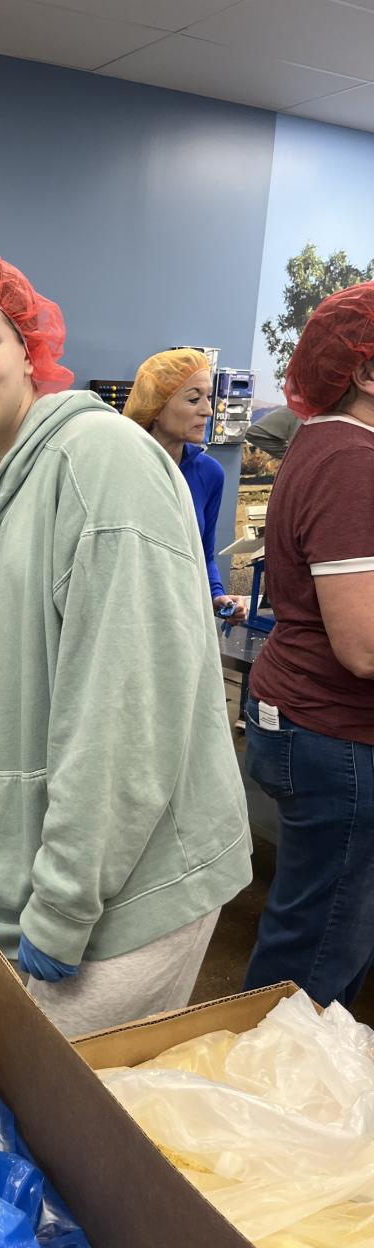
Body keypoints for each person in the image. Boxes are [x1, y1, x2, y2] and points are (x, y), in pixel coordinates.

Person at [0, 256, 252, 1036]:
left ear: (29, 350)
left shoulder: (99, 463)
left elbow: (125, 715)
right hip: (33, 884)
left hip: (122, 894)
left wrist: (61, 905)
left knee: (65, 1101)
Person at [243, 282, 374, 1010]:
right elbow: (364, 646)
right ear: (366, 370)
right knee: (318, 955)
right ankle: (270, 1075)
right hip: (334, 734)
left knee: (326, 931)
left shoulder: (325, 442)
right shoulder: (353, 460)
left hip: (309, 721)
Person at [124, 348, 247, 622]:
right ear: (155, 407)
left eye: (208, 397)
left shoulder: (209, 474)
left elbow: (203, 555)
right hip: (126, 618)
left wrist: (217, 596)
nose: (208, 410)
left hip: (181, 619)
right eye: (194, 399)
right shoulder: (121, 468)